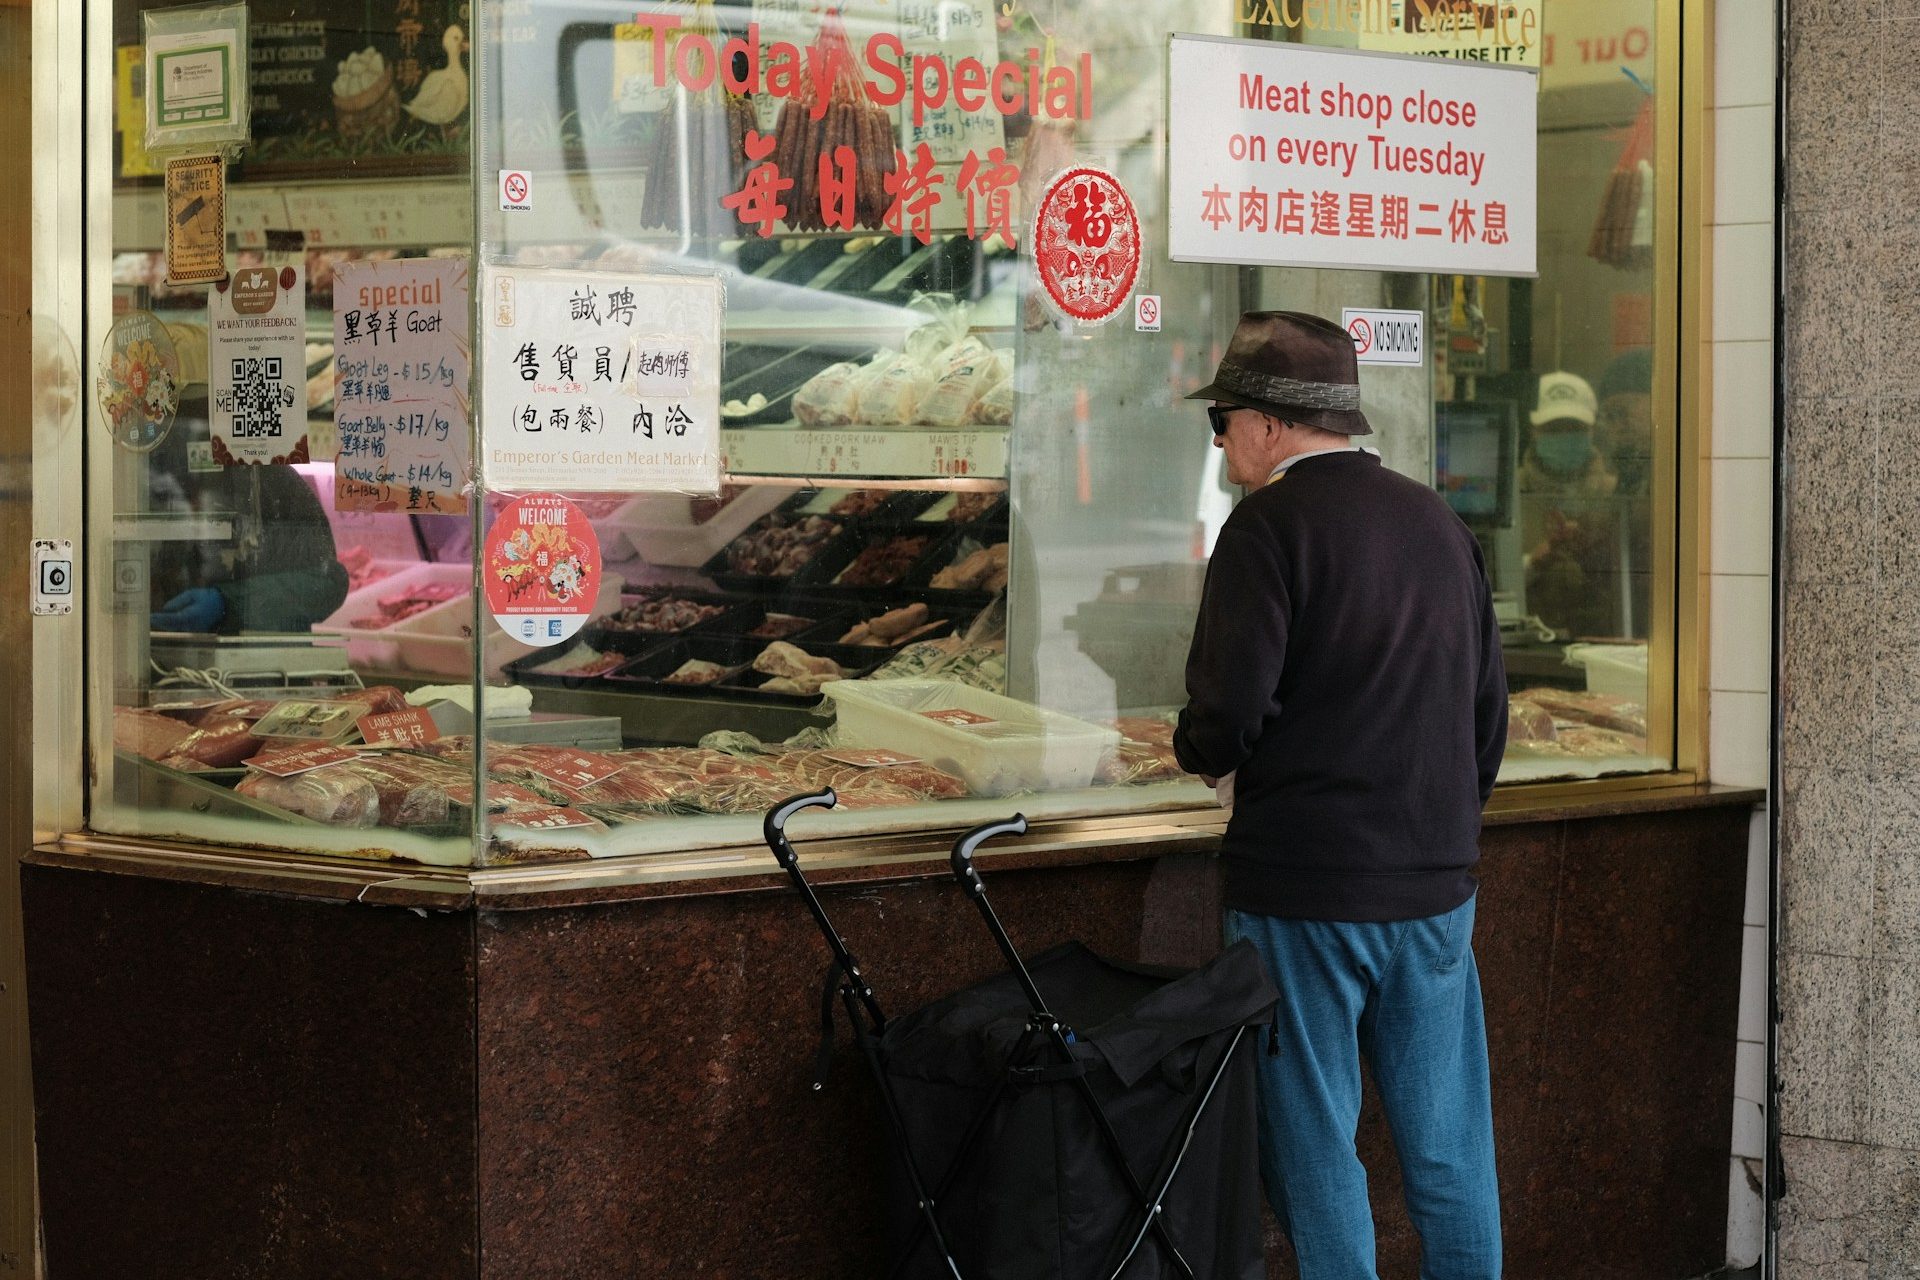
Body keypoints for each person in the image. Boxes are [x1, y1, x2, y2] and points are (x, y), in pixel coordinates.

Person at [1173, 311, 1507, 1279]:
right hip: (1434, 882)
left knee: (1314, 1130)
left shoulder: (1268, 525)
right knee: (1447, 1136)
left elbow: (1229, 705)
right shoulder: (1436, 519)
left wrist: (1196, 749)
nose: (1222, 439)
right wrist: (1439, 827)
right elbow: (1488, 709)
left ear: (1271, 423)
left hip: (1305, 884)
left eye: (1222, 419)